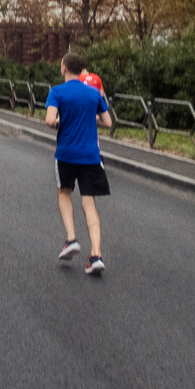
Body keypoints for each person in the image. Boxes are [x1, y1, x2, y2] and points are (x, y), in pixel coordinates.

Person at [45, 52, 113, 275]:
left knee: (64, 193)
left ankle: (72, 239)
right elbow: (107, 122)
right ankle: (96, 255)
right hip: (91, 155)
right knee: (89, 203)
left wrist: (60, 121)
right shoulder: (93, 93)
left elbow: (49, 120)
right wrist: (88, 118)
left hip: (66, 154)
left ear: (64, 68)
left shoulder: (57, 92)